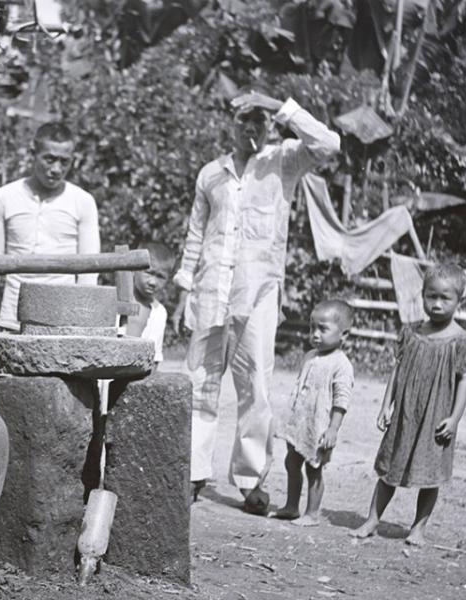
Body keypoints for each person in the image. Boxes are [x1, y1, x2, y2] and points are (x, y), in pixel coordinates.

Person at [171, 88, 341, 512]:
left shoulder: (284, 160)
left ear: (268, 123)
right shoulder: (212, 173)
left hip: (259, 290)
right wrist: (183, 290)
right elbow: (196, 235)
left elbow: (329, 143)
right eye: (243, 120)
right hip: (211, 289)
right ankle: (193, 472)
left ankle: (250, 480)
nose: (251, 128)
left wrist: (276, 105)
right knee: (200, 382)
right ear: (231, 125)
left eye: (258, 121)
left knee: (257, 388)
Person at [351, 263, 466, 546]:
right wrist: (386, 405)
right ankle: (373, 519)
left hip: (437, 416)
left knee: (430, 474)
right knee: (389, 467)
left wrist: (455, 418)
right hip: (405, 414)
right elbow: (397, 372)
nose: (436, 304)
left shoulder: (461, 342)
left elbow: (465, 382)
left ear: (460, 301)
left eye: (444, 298)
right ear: (421, 295)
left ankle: (418, 528)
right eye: (430, 296)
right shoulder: (411, 334)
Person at [0, 122, 100, 331]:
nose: (56, 169)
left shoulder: (82, 201)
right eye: (49, 159)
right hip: (12, 315)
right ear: (33, 153)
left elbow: (89, 270)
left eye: (64, 162)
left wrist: (84, 320)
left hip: (64, 317)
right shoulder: (5, 197)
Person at [273, 300, 354, 526]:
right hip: (300, 422)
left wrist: (333, 429)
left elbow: (341, 400)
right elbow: (300, 388)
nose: (315, 334)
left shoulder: (341, 365)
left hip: (318, 427)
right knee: (291, 462)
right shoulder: (309, 356)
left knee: (313, 468)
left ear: (344, 335)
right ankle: (291, 506)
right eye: (312, 328)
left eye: (323, 329)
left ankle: (312, 512)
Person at [125, 241, 174, 368]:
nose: (153, 282)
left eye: (160, 277)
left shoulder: (159, 312)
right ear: (134, 270)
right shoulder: (118, 301)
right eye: (149, 273)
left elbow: (155, 358)